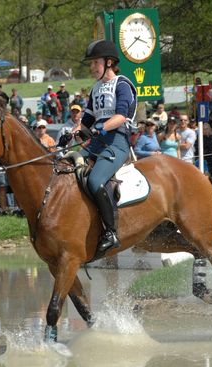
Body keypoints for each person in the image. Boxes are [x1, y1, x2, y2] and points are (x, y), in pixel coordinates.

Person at [75, 39, 137, 254]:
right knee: (69, 165)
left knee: (95, 180)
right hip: (98, 143)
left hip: (117, 143)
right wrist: (74, 133)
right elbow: (87, 121)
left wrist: (100, 129)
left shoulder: (123, 84)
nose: (92, 67)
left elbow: (120, 116)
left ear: (109, 62)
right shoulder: (96, 89)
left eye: (95, 63)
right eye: (91, 64)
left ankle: (110, 232)